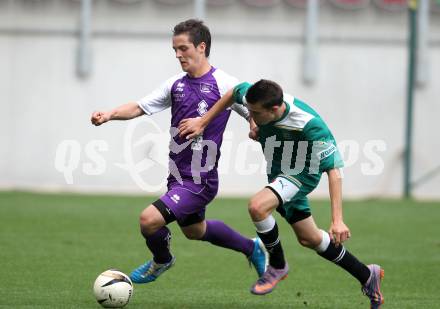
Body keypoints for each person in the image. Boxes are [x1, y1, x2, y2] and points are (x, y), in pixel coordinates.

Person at [178, 79, 384, 308]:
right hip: (278, 171)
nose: (252, 116)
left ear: (275, 109)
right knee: (310, 238)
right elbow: (234, 93)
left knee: (258, 206)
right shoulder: (257, 100)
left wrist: (337, 220)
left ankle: (276, 265)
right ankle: (367, 275)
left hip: (301, 173)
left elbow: (334, 171)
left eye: (255, 113)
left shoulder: (309, 124)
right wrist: (204, 121)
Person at [90, 19, 267, 285]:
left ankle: (162, 260)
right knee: (196, 231)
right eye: (175, 49)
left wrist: (254, 126)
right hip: (177, 175)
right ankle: (251, 247)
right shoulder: (175, 84)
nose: (177, 55)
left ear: (201, 47)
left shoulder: (224, 83)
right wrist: (110, 114)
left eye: (183, 48)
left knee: (148, 220)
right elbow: (140, 106)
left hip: (200, 180)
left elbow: (252, 108)